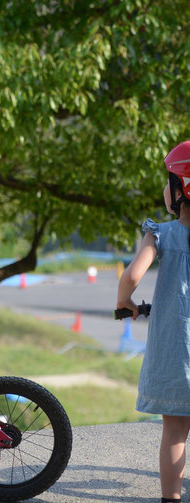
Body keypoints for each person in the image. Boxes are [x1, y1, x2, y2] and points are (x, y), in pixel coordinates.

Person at [117, 140, 190, 503]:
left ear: (180, 190)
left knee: (176, 431)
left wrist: (124, 301)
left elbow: (132, 275)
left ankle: (171, 499)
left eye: (168, 180)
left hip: (176, 354)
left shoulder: (161, 233)